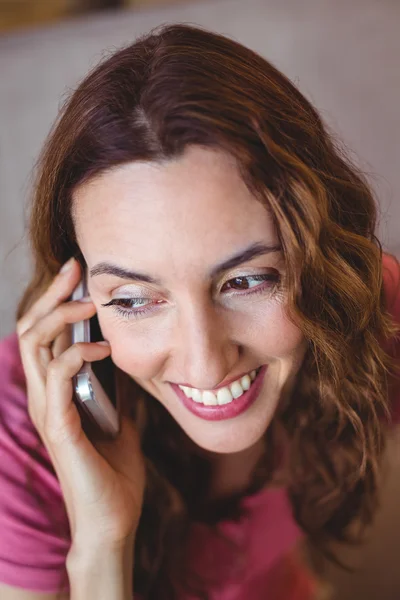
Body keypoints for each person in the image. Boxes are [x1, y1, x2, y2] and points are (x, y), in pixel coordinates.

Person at [0, 22, 399, 600]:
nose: (206, 363)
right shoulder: (18, 440)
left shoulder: (362, 307)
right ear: (81, 300)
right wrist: (103, 543)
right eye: (135, 300)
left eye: (248, 280)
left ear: (321, 259)